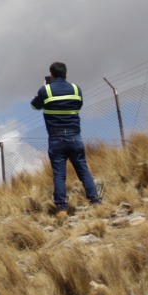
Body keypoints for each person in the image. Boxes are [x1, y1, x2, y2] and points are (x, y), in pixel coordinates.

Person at [31, 61, 102, 216]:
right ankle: (95, 202)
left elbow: (34, 106)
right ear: (66, 74)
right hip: (75, 136)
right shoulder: (76, 89)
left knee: (59, 175)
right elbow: (78, 106)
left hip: (56, 138)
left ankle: (62, 208)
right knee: (84, 171)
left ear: (51, 75)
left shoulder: (46, 90)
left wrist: (43, 89)